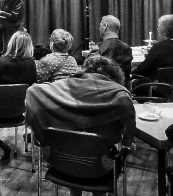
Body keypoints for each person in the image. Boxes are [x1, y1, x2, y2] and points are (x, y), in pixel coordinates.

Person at [26, 56, 135, 196]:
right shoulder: (119, 95)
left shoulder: (62, 88)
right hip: (101, 167)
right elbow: (129, 129)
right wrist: (127, 144)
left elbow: (32, 91)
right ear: (114, 75)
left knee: (74, 143)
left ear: (85, 70)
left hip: (60, 161)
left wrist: (41, 136)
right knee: (98, 150)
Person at [133, 14, 173, 80]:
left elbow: (142, 70)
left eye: (158, 26)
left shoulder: (158, 47)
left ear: (164, 31)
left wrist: (132, 72)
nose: (157, 29)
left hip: (156, 85)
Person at [89, 15, 132, 84]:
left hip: (103, 87)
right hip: (122, 88)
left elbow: (89, 71)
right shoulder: (127, 48)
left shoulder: (99, 49)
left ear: (105, 27)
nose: (99, 29)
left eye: (100, 26)